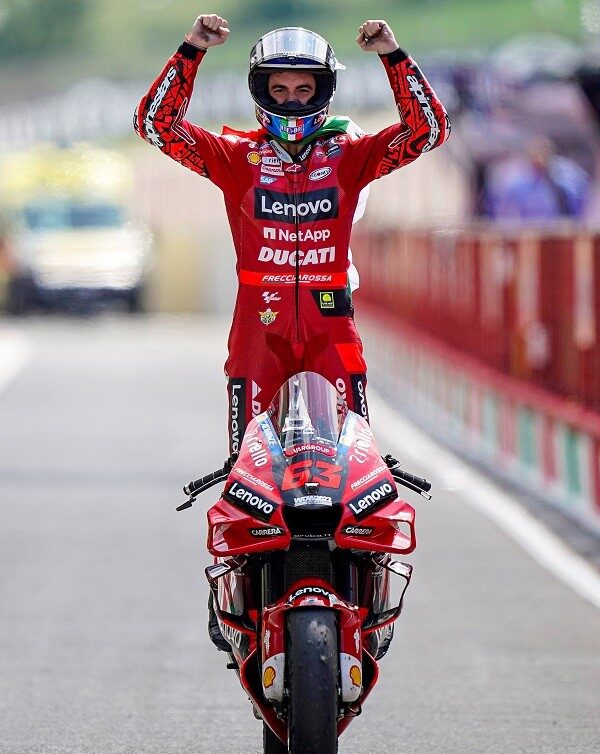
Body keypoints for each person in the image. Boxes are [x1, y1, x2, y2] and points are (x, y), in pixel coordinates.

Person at [136, 14, 449, 456]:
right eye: (279, 90)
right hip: (257, 332)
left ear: (323, 92)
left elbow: (429, 130)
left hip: (332, 327)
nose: (292, 101)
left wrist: (391, 56)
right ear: (260, 92)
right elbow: (154, 126)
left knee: (351, 466)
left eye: (304, 90)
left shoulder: (349, 154)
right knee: (248, 467)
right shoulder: (236, 157)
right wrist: (192, 50)